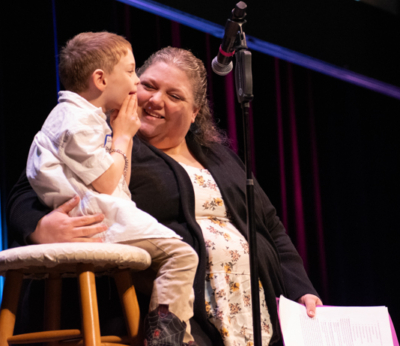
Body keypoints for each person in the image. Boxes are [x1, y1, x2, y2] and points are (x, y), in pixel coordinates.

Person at [7, 46, 322, 346]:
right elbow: (27, 186)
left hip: (252, 314)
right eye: (148, 85)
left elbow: (269, 226)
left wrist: (301, 290)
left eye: (174, 96)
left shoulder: (221, 159)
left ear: (195, 112)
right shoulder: (100, 138)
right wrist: (40, 227)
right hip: (166, 309)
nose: (155, 100)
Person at [25, 33, 199, 346]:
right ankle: (168, 342)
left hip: (105, 212)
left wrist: (124, 136)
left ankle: (173, 338)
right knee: (181, 255)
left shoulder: (94, 119)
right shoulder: (74, 120)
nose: (136, 83)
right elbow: (108, 183)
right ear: (101, 79)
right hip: (93, 219)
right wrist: (120, 138)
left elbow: (120, 183)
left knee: (174, 260)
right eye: (134, 74)